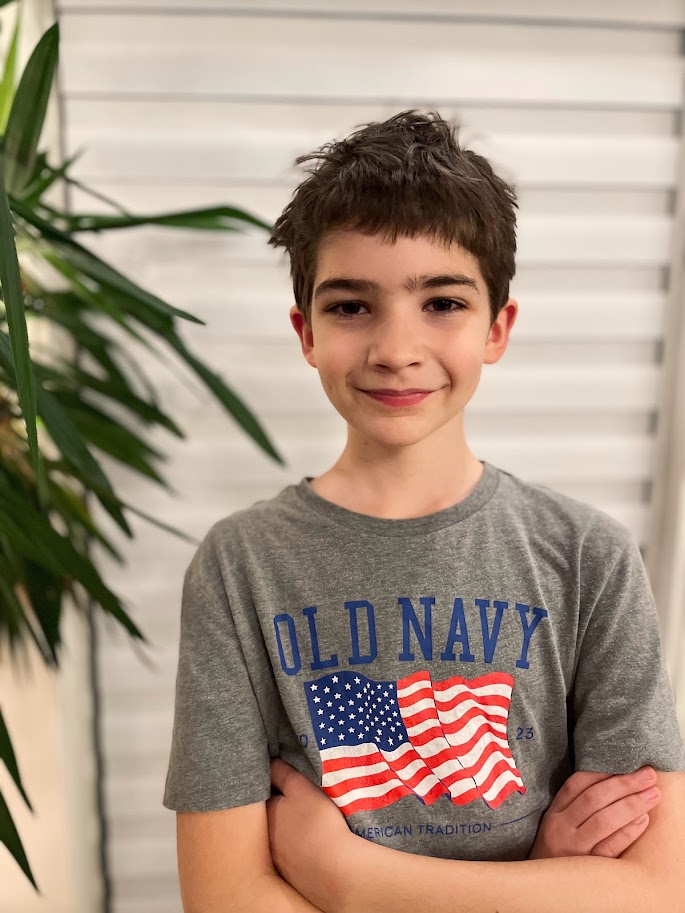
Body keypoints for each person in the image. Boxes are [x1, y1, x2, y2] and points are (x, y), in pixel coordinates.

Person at [162, 109, 685, 913]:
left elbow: (653, 890)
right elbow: (225, 896)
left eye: (441, 302)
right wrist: (539, 878)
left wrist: (347, 877)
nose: (395, 348)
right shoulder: (241, 566)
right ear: (304, 332)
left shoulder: (588, 558)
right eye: (351, 307)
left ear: (496, 327)